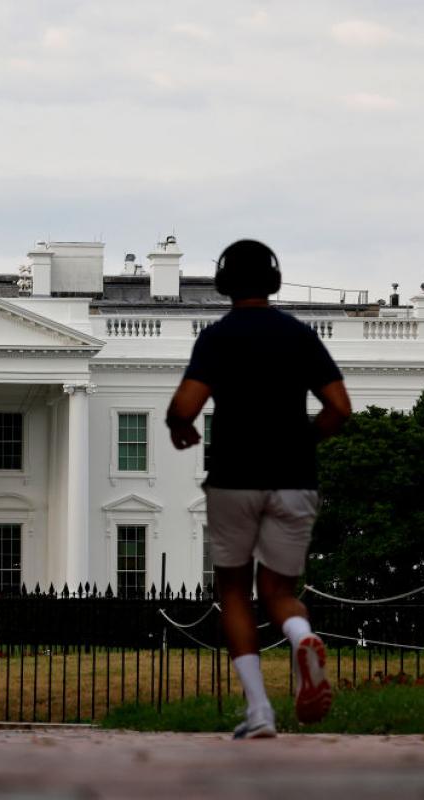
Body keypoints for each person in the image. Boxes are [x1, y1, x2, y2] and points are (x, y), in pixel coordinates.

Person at [166, 239, 352, 739]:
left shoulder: (217, 337)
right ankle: (301, 634)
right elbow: (339, 406)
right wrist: (303, 439)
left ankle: (260, 713)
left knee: (234, 590)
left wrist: (180, 428)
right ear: (273, 280)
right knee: (279, 592)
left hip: (233, 479)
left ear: (225, 283)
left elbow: (186, 406)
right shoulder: (299, 335)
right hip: (294, 480)